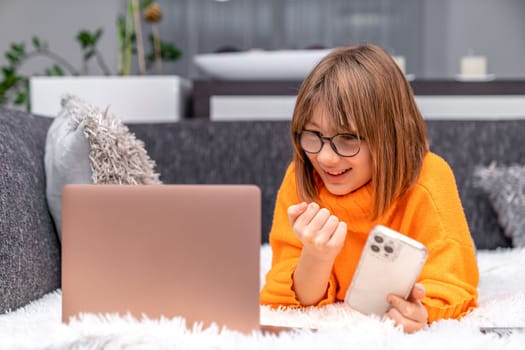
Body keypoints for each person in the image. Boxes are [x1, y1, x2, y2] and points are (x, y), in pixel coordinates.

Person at [260, 44, 479, 333]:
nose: (325, 158)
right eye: (313, 134)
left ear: (391, 135)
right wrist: (317, 255)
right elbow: (288, 304)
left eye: (348, 138)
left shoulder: (428, 177)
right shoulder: (301, 177)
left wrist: (421, 312)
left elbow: (453, 281)